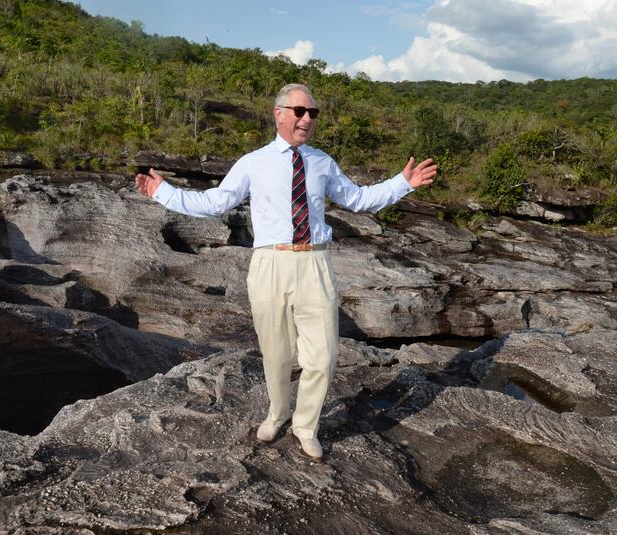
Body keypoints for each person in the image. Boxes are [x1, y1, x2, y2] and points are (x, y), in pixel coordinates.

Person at [136, 83, 436, 460]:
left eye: (313, 113)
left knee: (323, 355)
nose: (307, 119)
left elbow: (357, 199)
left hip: (315, 261)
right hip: (270, 263)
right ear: (279, 113)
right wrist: (165, 192)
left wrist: (402, 184)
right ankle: (277, 413)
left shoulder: (322, 162)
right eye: (299, 111)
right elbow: (215, 202)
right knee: (275, 353)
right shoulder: (253, 162)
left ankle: (305, 426)